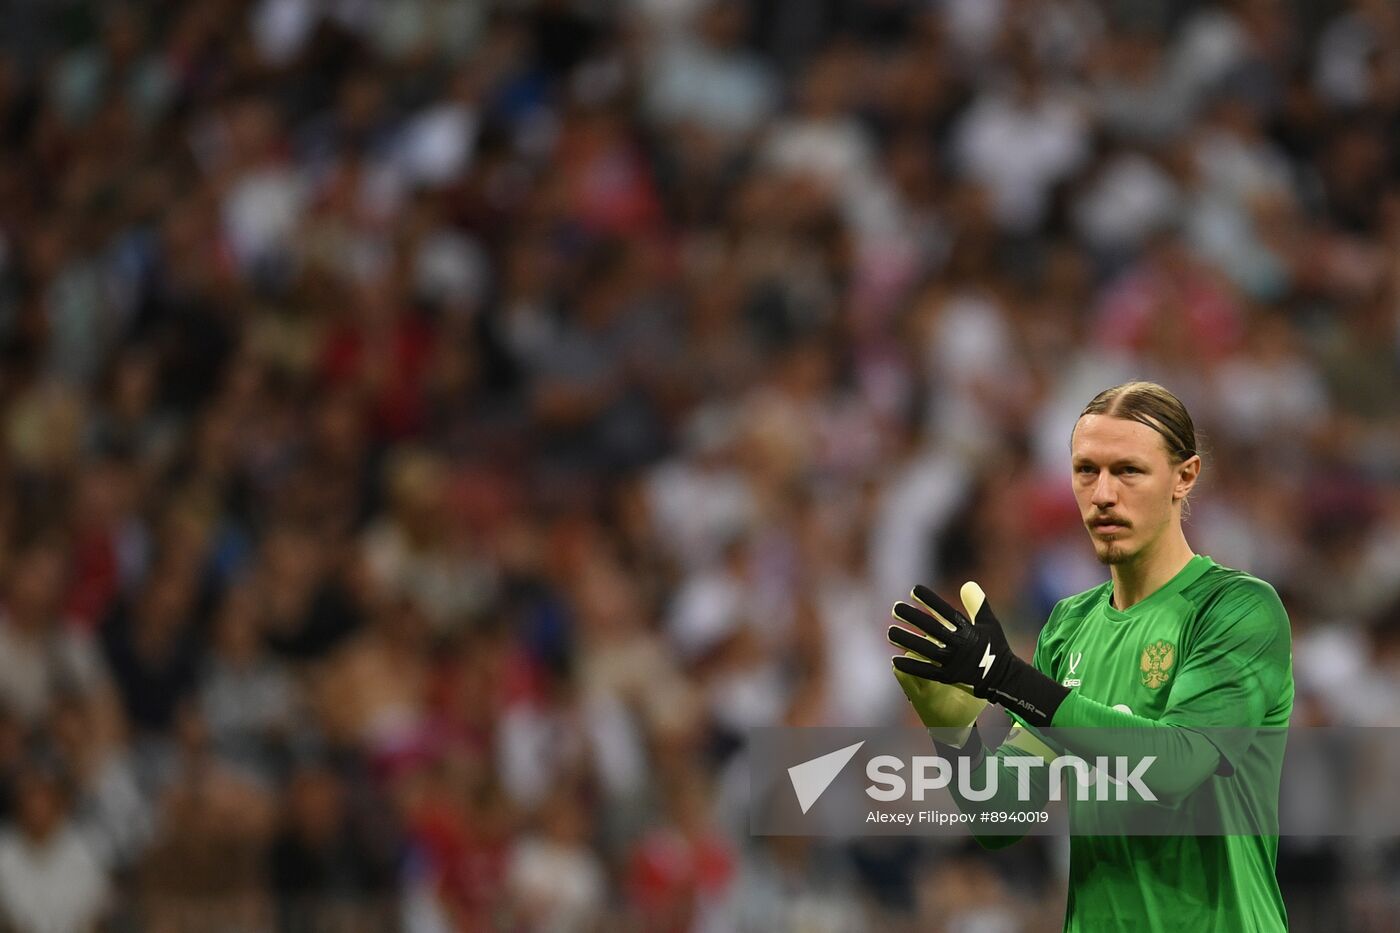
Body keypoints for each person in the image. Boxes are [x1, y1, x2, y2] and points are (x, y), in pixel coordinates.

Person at [888, 381, 1293, 931]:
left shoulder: (1236, 609)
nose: (1103, 494)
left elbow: (1179, 766)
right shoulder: (1068, 627)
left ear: (1185, 476)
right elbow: (1001, 815)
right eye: (1086, 471)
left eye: (1128, 471)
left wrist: (1006, 677)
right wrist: (954, 736)